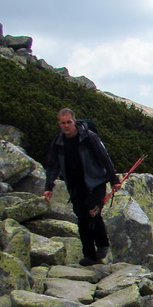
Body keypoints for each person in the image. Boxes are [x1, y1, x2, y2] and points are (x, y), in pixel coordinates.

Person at [43, 108, 121, 266]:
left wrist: (114, 180)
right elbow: (52, 166)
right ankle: (89, 256)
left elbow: (103, 157)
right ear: (59, 123)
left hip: (95, 182)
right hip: (75, 185)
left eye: (69, 122)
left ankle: (103, 244)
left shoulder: (88, 137)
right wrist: (48, 187)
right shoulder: (59, 142)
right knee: (82, 218)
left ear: (74, 121)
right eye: (62, 123)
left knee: (93, 212)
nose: (66, 126)